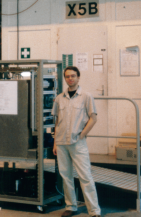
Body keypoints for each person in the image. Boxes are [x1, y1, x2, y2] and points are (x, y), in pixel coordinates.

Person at [52, 66, 101, 217]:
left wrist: (82, 135)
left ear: (78, 77)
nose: (70, 79)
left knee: (85, 176)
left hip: (77, 143)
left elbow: (93, 118)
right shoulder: (59, 98)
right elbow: (57, 121)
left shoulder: (86, 96)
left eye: (73, 76)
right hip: (61, 143)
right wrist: (54, 142)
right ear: (65, 78)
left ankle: (94, 211)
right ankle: (71, 206)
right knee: (66, 176)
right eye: (67, 76)